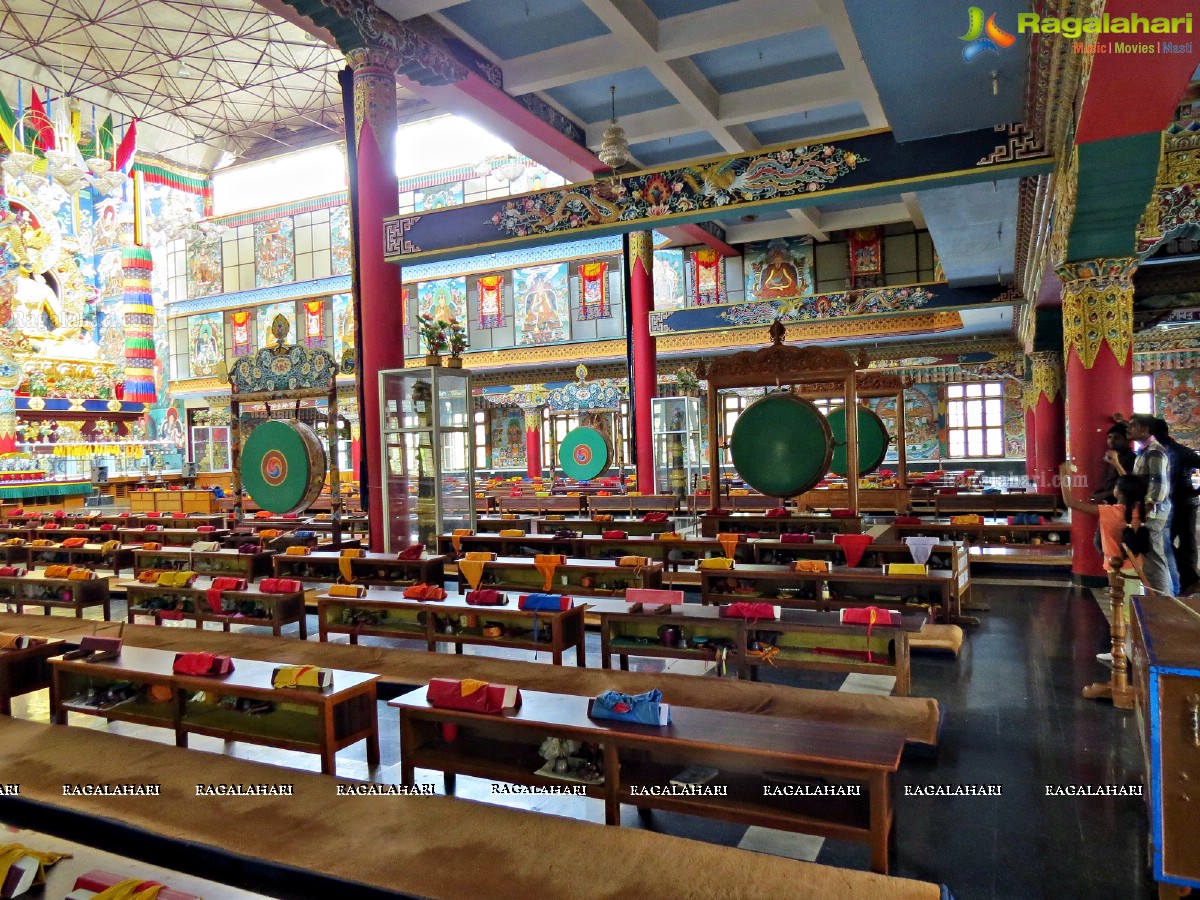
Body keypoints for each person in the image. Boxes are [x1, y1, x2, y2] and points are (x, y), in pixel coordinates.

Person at [1111, 414, 1173, 595]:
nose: (1128, 429)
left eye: (1132, 426)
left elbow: (1158, 487)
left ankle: (1163, 603)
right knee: (1148, 560)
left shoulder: (1155, 452)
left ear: (1145, 430)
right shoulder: (1144, 451)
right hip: (1145, 513)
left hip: (1152, 514)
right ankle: (1154, 599)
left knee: (1154, 560)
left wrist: (1144, 513)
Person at [1151, 418, 1200, 593]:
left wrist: (1196, 491)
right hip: (1167, 505)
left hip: (1185, 503)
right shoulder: (1156, 451)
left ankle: (1190, 581)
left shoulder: (1180, 452)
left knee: (1187, 542)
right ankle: (1184, 577)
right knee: (1166, 542)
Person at [1090, 424, 1136, 504]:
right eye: (1109, 437)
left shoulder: (1131, 458)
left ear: (1127, 440)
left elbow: (1129, 484)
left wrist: (1104, 494)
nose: (1111, 441)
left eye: (1117, 438)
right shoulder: (1113, 456)